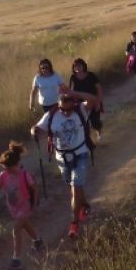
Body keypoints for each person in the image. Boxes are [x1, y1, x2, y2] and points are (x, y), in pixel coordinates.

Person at [31, 93, 92, 238]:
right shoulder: (51, 115)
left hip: (81, 153)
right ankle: (85, 206)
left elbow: (94, 100)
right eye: (62, 109)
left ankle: (74, 224)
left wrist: (73, 92)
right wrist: (34, 131)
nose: (65, 112)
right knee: (75, 186)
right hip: (62, 158)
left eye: (69, 109)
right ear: (59, 106)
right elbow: (37, 128)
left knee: (75, 187)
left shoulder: (81, 109)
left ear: (74, 105)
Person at [0, 142, 42, 270]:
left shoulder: (25, 175)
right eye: (5, 168)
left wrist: (35, 204)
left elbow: (35, 189)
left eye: (9, 168)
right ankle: (37, 240)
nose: (6, 170)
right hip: (13, 207)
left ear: (16, 164)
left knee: (16, 229)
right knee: (24, 225)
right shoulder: (4, 175)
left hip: (25, 206)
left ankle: (16, 258)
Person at [68, 58, 103, 139]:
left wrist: (99, 101)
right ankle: (87, 140)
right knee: (83, 122)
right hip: (80, 104)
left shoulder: (91, 75)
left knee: (95, 122)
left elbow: (99, 88)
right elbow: (71, 92)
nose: (77, 68)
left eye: (79, 66)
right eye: (75, 66)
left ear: (83, 66)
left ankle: (99, 133)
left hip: (93, 101)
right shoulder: (73, 77)